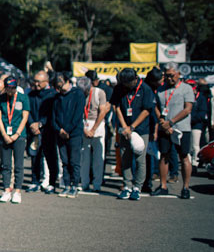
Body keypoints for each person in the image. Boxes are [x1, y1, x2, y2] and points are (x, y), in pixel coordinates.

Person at [111, 68, 154, 201]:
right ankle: (127, 186)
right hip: (125, 128)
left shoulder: (145, 89)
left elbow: (147, 111)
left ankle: (137, 188)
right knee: (125, 157)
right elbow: (116, 106)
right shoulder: (119, 88)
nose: (126, 86)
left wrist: (132, 127)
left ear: (135, 79)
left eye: (128, 83)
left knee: (140, 158)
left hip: (141, 129)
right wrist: (124, 126)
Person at [154, 63, 194, 199]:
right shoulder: (161, 89)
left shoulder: (186, 89)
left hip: (181, 128)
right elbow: (156, 107)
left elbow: (187, 109)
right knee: (164, 155)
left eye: (171, 75)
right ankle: (163, 185)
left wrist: (171, 122)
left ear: (178, 74)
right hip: (164, 128)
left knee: (183, 156)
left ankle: (186, 187)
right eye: (166, 75)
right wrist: (162, 121)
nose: (168, 78)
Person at [0, 76, 30, 203]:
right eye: (9, 88)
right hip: (5, 135)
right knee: (6, 164)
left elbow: (25, 117)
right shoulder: (0, 99)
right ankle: (6, 189)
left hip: (19, 135)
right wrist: (4, 134)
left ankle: (17, 191)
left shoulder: (23, 98)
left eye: (13, 88)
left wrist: (17, 134)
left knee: (19, 165)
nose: (11, 91)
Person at [52, 72, 85, 198]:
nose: (60, 89)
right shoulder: (57, 97)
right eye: (58, 87)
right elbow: (54, 116)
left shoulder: (78, 94)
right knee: (64, 161)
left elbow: (78, 115)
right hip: (60, 133)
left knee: (74, 160)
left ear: (68, 82)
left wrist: (67, 130)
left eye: (62, 86)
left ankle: (74, 185)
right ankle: (66, 185)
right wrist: (59, 130)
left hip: (74, 133)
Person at [76, 76, 110, 194]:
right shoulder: (79, 94)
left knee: (98, 158)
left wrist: (94, 128)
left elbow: (103, 111)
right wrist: (85, 129)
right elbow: (78, 111)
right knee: (84, 157)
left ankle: (97, 184)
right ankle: (84, 182)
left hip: (97, 124)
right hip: (84, 124)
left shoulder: (99, 93)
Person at [26, 70, 59, 193]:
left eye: (39, 82)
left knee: (50, 157)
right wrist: (32, 124)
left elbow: (51, 113)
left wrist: (40, 124)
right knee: (34, 157)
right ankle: (35, 181)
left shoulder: (52, 94)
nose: (36, 84)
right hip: (33, 130)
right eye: (34, 81)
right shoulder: (31, 94)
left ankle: (51, 183)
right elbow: (27, 110)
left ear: (46, 81)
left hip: (47, 130)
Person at [190, 82, 212, 167]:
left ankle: (195, 163)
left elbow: (202, 113)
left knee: (195, 145)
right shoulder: (189, 97)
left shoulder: (201, 98)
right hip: (187, 124)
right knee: (188, 147)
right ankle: (189, 161)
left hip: (197, 125)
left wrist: (192, 119)